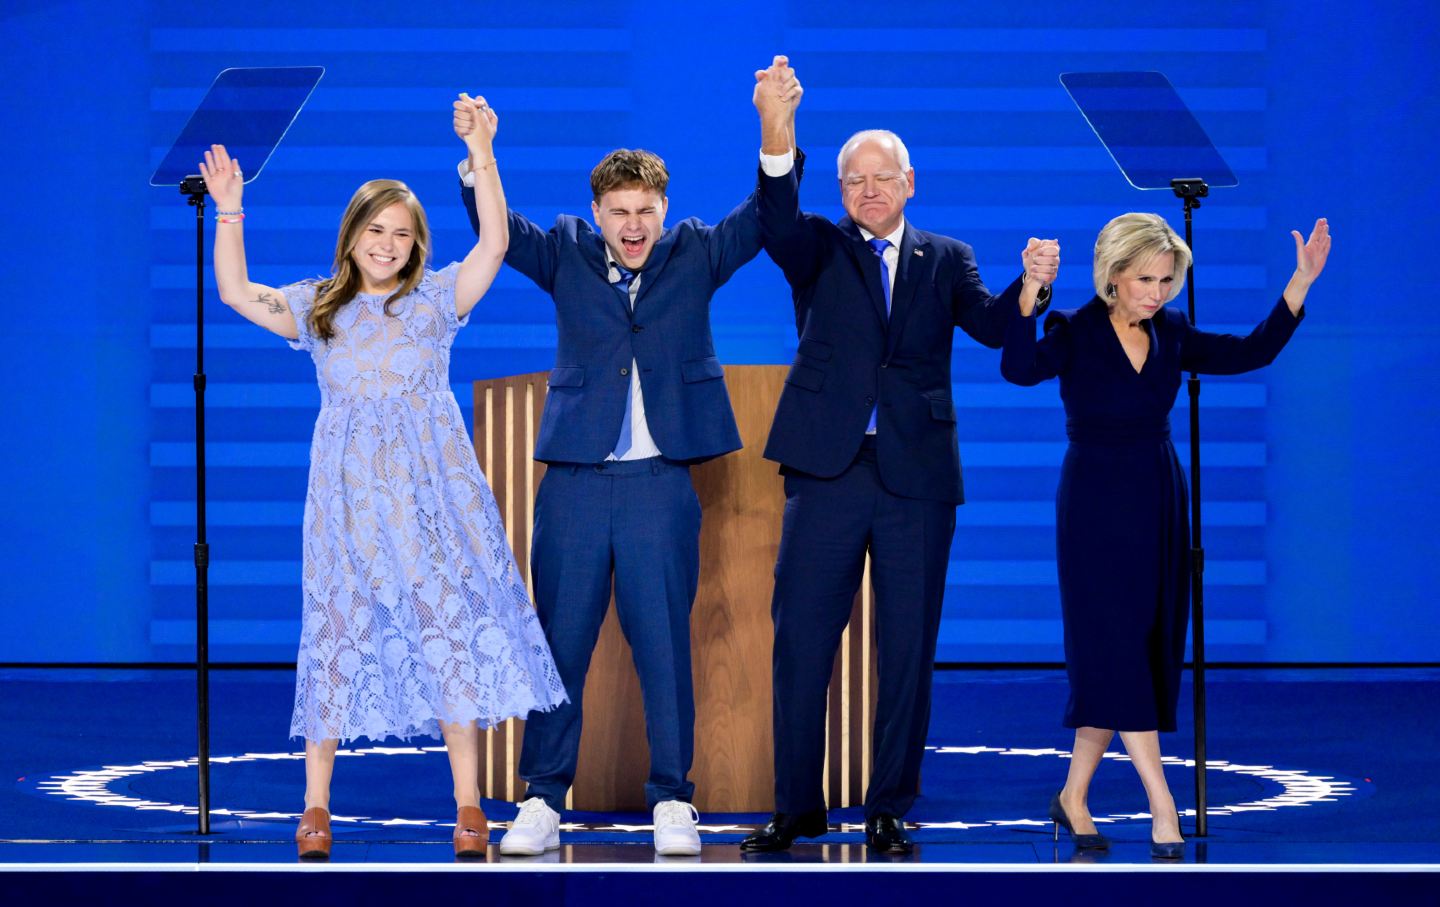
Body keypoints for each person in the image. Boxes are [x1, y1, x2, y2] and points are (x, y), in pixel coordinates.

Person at [199, 96, 566, 861]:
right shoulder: (318, 307)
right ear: (352, 236)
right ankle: (315, 807)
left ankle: (468, 806)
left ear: (417, 244)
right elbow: (236, 293)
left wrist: (483, 151)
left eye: (402, 234)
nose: (388, 244)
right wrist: (230, 211)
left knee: (445, 633)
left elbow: (495, 242)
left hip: (432, 501)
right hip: (346, 503)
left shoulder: (436, 301)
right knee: (332, 634)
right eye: (376, 230)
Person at [453, 73, 792, 856]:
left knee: (664, 643)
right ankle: (543, 797)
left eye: (646, 212)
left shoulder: (698, 252)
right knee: (559, 644)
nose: (633, 226)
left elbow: (771, 216)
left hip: (659, 485)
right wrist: (479, 155)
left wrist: (775, 126)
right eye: (620, 213)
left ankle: (674, 797)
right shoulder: (567, 251)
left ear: (663, 211)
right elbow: (495, 228)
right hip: (573, 483)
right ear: (598, 212)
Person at [739, 57, 1060, 855]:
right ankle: (798, 806)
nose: (868, 190)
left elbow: (993, 327)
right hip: (828, 469)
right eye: (854, 180)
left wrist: (1031, 290)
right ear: (841, 191)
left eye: (882, 177)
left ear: (910, 182)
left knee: (907, 647)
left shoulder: (945, 258)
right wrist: (776, 128)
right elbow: (776, 216)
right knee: (801, 639)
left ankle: (889, 804)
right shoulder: (817, 247)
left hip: (917, 477)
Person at [1000, 212, 1330, 859]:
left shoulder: (1173, 333)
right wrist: (1027, 297)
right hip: (1094, 507)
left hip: (1157, 500)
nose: (1157, 291)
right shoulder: (1074, 330)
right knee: (1116, 648)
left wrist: (1300, 282)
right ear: (1114, 276)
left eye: (1166, 278)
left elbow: (1250, 350)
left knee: (1133, 656)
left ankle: (1073, 797)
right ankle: (1162, 804)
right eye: (1145, 278)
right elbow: (1018, 367)